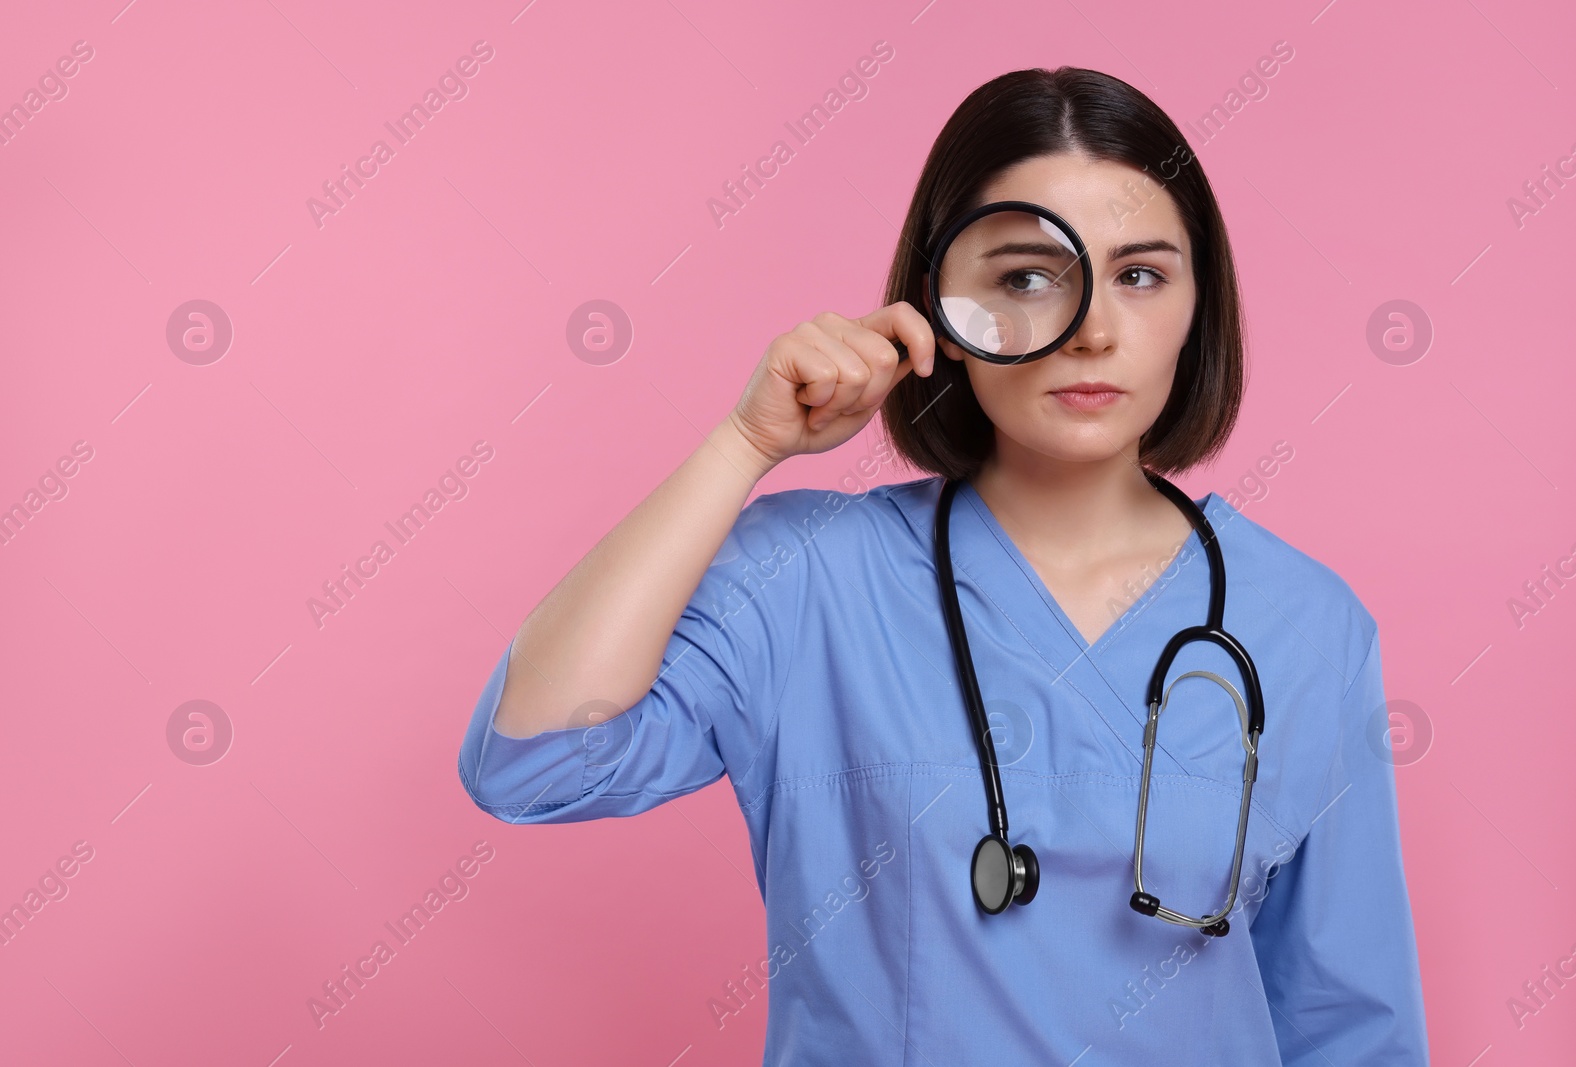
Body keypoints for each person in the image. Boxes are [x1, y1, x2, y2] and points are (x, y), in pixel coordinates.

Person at [457, 66, 1429, 1064]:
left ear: (1198, 307)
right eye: (1024, 276)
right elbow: (533, 759)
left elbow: (1349, 1024)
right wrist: (743, 443)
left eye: (1140, 273)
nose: (1092, 327)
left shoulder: (1304, 622)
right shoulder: (809, 580)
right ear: (941, 313)